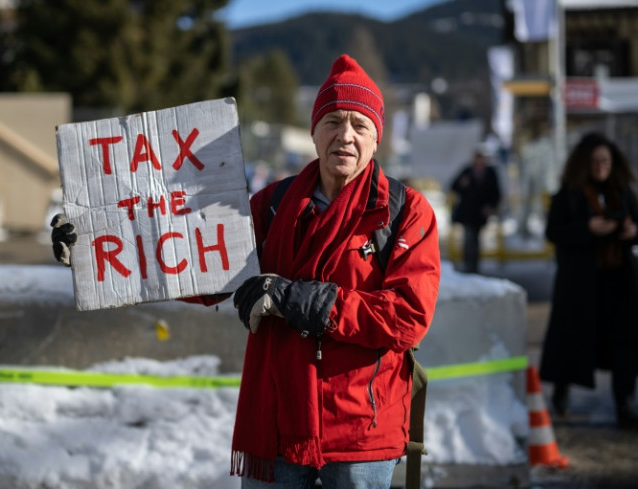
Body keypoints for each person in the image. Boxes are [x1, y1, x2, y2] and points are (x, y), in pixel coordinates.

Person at [52, 54, 441, 488]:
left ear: (376, 138)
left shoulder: (406, 212)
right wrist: (92, 245)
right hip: (275, 425)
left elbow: (407, 317)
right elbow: (195, 263)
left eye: (359, 124)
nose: (345, 135)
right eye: (332, 121)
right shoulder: (271, 205)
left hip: (360, 435)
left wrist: (296, 299)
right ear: (314, 132)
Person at [539, 132, 638, 430]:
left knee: (625, 344)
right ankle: (561, 393)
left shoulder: (622, 191)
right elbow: (553, 232)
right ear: (584, 164)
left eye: (606, 161)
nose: (601, 167)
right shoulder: (568, 194)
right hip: (580, 285)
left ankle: (625, 408)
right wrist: (587, 228)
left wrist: (631, 231)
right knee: (572, 342)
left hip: (619, 283)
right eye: (595, 161)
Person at [449, 145, 501, 273]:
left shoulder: (490, 173)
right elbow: (454, 186)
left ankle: (473, 266)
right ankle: (468, 265)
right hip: (467, 212)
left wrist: (491, 206)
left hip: (480, 214)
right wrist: (462, 184)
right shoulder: (467, 171)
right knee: (468, 239)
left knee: (475, 240)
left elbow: (496, 192)